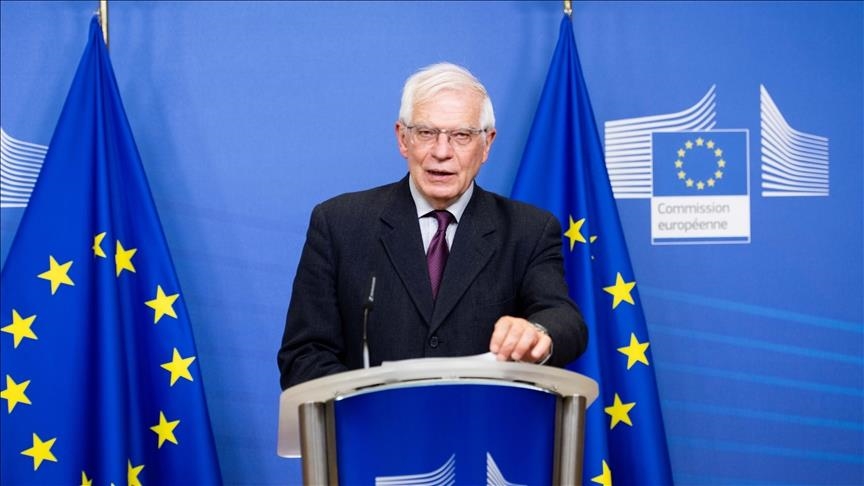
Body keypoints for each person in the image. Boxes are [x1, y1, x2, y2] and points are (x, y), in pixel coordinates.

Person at [278, 62, 587, 390]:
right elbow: (304, 356)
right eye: (426, 133)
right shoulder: (339, 223)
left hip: (484, 420)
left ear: (487, 144)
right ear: (403, 138)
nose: (441, 152)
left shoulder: (529, 230)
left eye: (461, 136)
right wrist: (369, 406)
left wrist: (537, 334)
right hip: (373, 421)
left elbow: (564, 319)